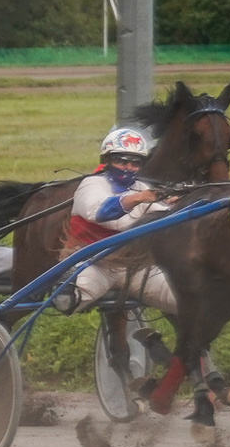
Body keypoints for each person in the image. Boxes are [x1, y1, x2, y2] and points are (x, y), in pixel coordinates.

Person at [53, 124, 178, 313]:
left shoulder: (143, 187)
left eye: (135, 163)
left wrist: (175, 205)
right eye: (122, 161)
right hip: (93, 264)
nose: (129, 168)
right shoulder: (92, 184)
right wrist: (137, 198)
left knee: (185, 300)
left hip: (134, 267)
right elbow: (101, 212)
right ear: (108, 160)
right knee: (66, 300)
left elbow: (166, 220)